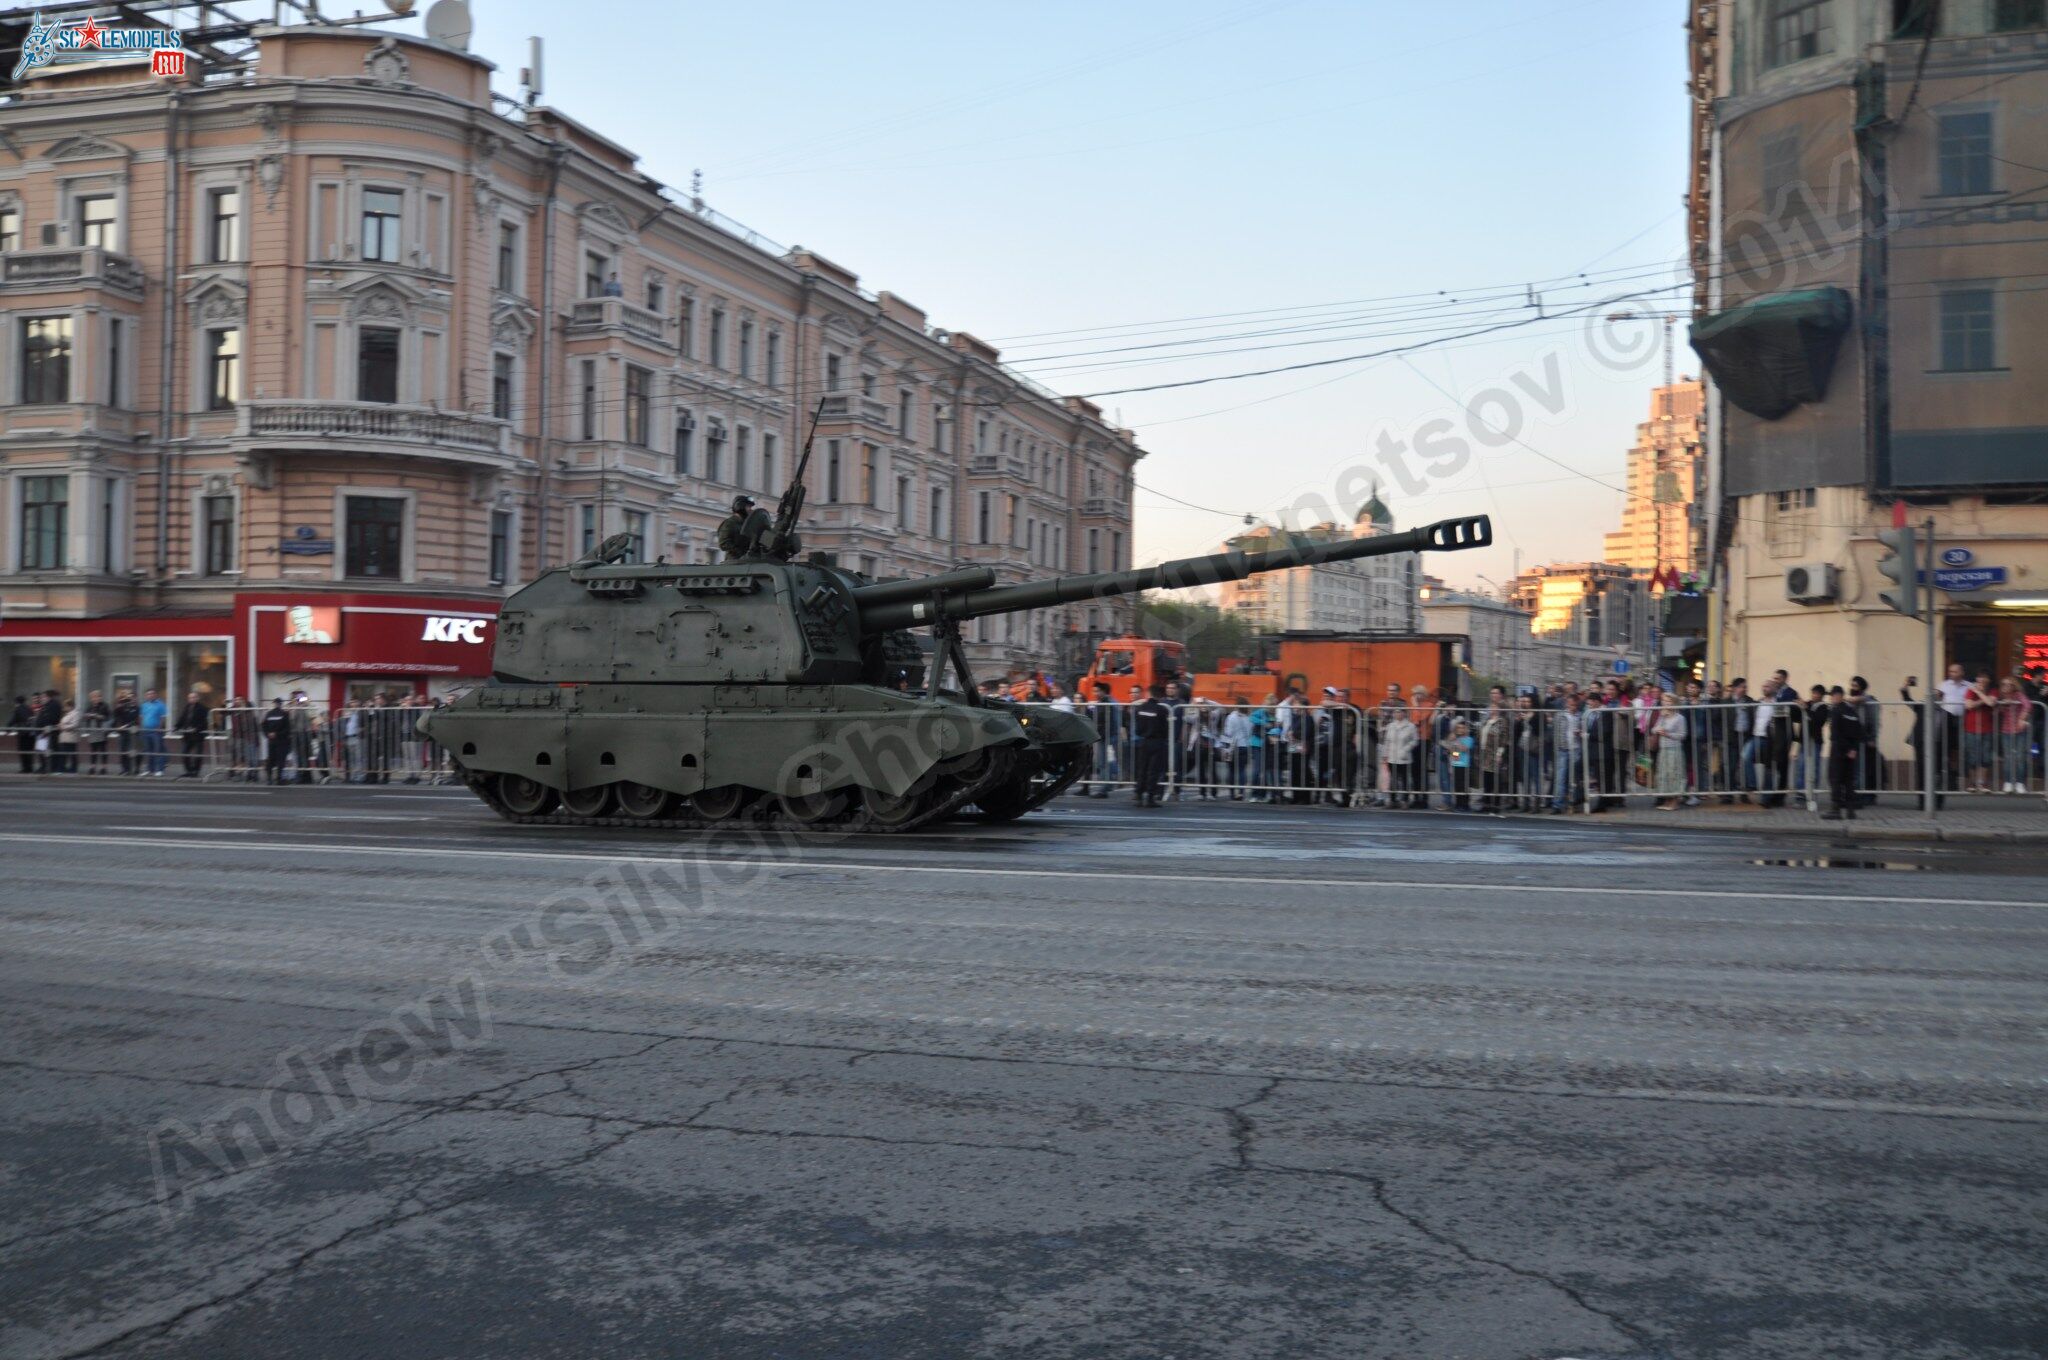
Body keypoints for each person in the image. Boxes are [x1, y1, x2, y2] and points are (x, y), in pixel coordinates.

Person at [1818, 685, 1863, 821]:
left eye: (1832, 696)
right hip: (1851, 753)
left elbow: (1836, 734)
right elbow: (1859, 732)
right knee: (1848, 781)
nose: (1831, 699)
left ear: (1838, 696)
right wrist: (1853, 749)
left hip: (1838, 751)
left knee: (1835, 779)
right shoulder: (1852, 711)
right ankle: (1850, 811)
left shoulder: (1836, 711)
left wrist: (1846, 749)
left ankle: (1835, 810)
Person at [1130, 683, 1172, 808]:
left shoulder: (1140, 708)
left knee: (1142, 769)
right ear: (1159, 696)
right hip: (1157, 742)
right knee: (1153, 771)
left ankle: (1138, 795)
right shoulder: (1162, 710)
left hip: (1143, 741)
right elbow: (1165, 729)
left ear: (1149, 693)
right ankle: (1150, 798)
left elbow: (1138, 729)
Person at [1937, 662, 1972, 792]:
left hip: (1964, 719)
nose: (1952, 674)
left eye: (1955, 671)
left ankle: (1961, 777)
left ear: (1961, 672)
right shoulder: (1944, 685)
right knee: (1947, 747)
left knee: (1962, 748)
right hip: (1947, 719)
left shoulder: (1969, 685)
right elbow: (1938, 698)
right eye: (1950, 671)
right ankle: (1949, 778)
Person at [1550, 692, 1587, 814]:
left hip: (1576, 749)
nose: (1573, 708)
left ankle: (1574, 802)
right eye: (1571, 705)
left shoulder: (1581, 716)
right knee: (1561, 778)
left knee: (1574, 778)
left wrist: (1580, 733)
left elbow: (1584, 731)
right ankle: (1557, 804)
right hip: (1563, 749)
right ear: (1567, 704)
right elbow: (1555, 731)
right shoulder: (1560, 715)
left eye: (1575, 705)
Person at [1651, 690, 1688, 811]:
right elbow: (1653, 729)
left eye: (1669, 701)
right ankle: (1667, 800)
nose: (1666, 703)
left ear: (1674, 703)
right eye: (1664, 701)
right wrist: (1658, 728)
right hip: (1663, 749)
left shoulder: (1680, 718)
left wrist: (1668, 734)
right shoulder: (1662, 716)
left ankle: (1675, 802)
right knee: (1664, 775)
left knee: (1674, 775)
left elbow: (1682, 735)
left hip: (1674, 749)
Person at [1995, 675, 2031, 793]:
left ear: (2014, 686)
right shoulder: (2001, 697)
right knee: (2008, 757)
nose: (2006, 686)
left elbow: (2027, 705)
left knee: (2020, 757)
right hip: (2006, 731)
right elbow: (1997, 711)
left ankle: (2020, 783)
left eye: (2009, 684)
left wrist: (2021, 719)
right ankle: (2008, 782)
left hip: (2019, 731)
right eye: (2004, 684)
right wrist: (2002, 704)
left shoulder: (2018, 695)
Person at [1378, 703, 1418, 809]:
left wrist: (1406, 749)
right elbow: (1387, 741)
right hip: (1392, 756)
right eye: (1395, 712)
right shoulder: (1391, 726)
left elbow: (1415, 740)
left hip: (1404, 757)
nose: (1397, 714)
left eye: (1399, 712)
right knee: (1393, 779)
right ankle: (1392, 800)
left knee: (1405, 779)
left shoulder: (1410, 726)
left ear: (1404, 713)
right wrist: (1385, 754)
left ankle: (1404, 800)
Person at [1963, 672, 1997, 793]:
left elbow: (1991, 703)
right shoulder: (1970, 690)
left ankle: (1983, 783)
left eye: (1984, 677)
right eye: (1979, 677)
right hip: (1971, 728)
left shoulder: (1993, 691)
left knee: (1986, 757)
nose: (1981, 679)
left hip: (1987, 728)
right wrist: (1983, 699)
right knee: (1972, 756)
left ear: (1989, 679)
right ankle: (1972, 783)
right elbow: (1969, 705)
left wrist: (1978, 693)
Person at [715, 494, 764, 560]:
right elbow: (723, 543)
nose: (750, 510)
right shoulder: (729, 523)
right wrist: (739, 552)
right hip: (734, 561)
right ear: (740, 507)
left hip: (748, 560)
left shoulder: (748, 524)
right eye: (748, 507)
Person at [1441, 717, 1474, 810]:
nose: (1460, 730)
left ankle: (1465, 804)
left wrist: (1457, 741)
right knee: (1457, 785)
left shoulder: (1469, 739)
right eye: (1458, 728)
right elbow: (1452, 750)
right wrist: (1450, 741)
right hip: (1456, 763)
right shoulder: (1455, 739)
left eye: (1462, 728)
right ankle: (1458, 803)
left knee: (1464, 785)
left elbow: (1464, 749)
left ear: (1466, 729)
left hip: (1465, 765)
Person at [176, 691, 210, 778]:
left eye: (194, 697)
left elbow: (204, 722)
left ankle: (196, 771)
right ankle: (189, 770)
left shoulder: (202, 708)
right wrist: (176, 727)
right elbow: (182, 718)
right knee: (185, 753)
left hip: (198, 735)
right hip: (188, 735)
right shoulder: (187, 707)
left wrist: (196, 728)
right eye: (190, 698)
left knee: (198, 754)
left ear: (197, 698)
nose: (192, 699)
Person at [261, 698, 292, 784]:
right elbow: (287, 728)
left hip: (271, 741)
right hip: (282, 740)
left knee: (271, 759)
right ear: (281, 704)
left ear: (274, 704)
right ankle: (279, 779)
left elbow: (263, 725)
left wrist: (268, 734)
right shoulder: (284, 714)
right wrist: (277, 734)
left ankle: (269, 779)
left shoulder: (269, 714)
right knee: (280, 760)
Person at [138, 688, 168, 776]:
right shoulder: (144, 705)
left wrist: (159, 728)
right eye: (148, 694)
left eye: (152, 694)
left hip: (156, 731)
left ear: (155, 695)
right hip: (146, 731)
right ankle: (149, 769)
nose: (150, 695)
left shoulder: (160, 705)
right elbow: (141, 717)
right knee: (148, 751)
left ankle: (159, 769)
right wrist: (141, 727)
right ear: (146, 696)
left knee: (158, 750)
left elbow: (163, 717)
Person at [81, 690, 111, 774]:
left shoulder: (104, 706)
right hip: (92, 730)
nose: (94, 699)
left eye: (96, 697)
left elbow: (108, 717)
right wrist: (87, 716)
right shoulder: (89, 706)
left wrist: (97, 716)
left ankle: (104, 768)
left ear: (100, 697)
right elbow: (84, 715)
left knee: (103, 749)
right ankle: (92, 767)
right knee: (93, 749)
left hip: (101, 730)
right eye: (92, 697)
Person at [112, 689, 139, 774]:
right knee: (122, 751)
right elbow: (116, 714)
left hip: (131, 733)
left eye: (131, 697)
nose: (130, 698)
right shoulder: (123, 706)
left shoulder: (135, 708)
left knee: (131, 751)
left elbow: (134, 720)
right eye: (129, 696)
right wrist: (119, 700)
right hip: (122, 732)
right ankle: (124, 769)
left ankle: (131, 769)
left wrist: (125, 726)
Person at [10, 695, 35, 774]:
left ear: (16, 702)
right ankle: (30, 768)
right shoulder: (29, 708)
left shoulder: (18, 709)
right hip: (30, 733)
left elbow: (13, 720)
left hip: (23, 733)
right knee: (29, 751)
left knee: (23, 751)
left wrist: (7, 729)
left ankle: (25, 769)